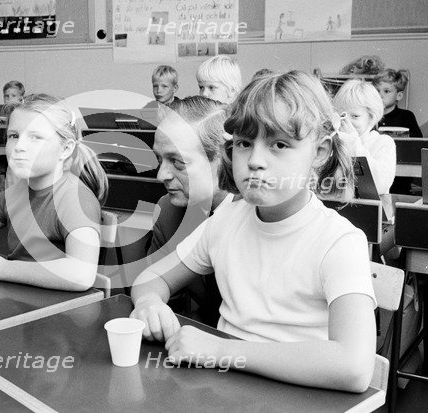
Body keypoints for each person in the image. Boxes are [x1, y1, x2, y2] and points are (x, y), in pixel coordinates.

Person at [131, 71, 376, 393]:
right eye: (245, 143)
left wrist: (220, 351)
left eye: (279, 144)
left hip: (301, 397)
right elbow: (153, 279)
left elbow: (353, 367)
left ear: (319, 152)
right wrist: (150, 303)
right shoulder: (226, 221)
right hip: (223, 391)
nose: (256, 160)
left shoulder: (339, 242)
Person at [0, 94, 109, 291]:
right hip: (19, 300)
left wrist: (2, 268)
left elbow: (80, 274)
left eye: (35, 137)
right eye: (14, 136)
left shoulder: (75, 198)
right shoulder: (15, 194)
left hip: (63, 310)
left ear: (65, 149)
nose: (19, 147)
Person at [146, 96, 231, 325]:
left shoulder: (257, 217)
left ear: (223, 158)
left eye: (178, 162)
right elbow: (152, 283)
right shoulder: (168, 211)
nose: (161, 175)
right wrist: (150, 304)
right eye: (159, 159)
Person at [333, 79, 396, 195]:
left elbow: (379, 186)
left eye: (355, 116)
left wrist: (352, 142)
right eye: (342, 115)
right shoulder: (333, 142)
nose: (346, 121)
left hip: (370, 210)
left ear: (371, 118)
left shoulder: (384, 143)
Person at [0, 80, 26, 198]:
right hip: (5, 156)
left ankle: (5, 204)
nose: (9, 99)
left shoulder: (25, 115)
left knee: (14, 174)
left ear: (22, 98)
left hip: (19, 156)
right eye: (6, 96)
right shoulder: (3, 115)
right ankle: (0, 202)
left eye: (13, 96)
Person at [372, 69, 421, 137]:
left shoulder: (406, 116)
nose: (380, 95)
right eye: (377, 91)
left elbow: (417, 143)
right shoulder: (368, 115)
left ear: (399, 96)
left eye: (386, 91)